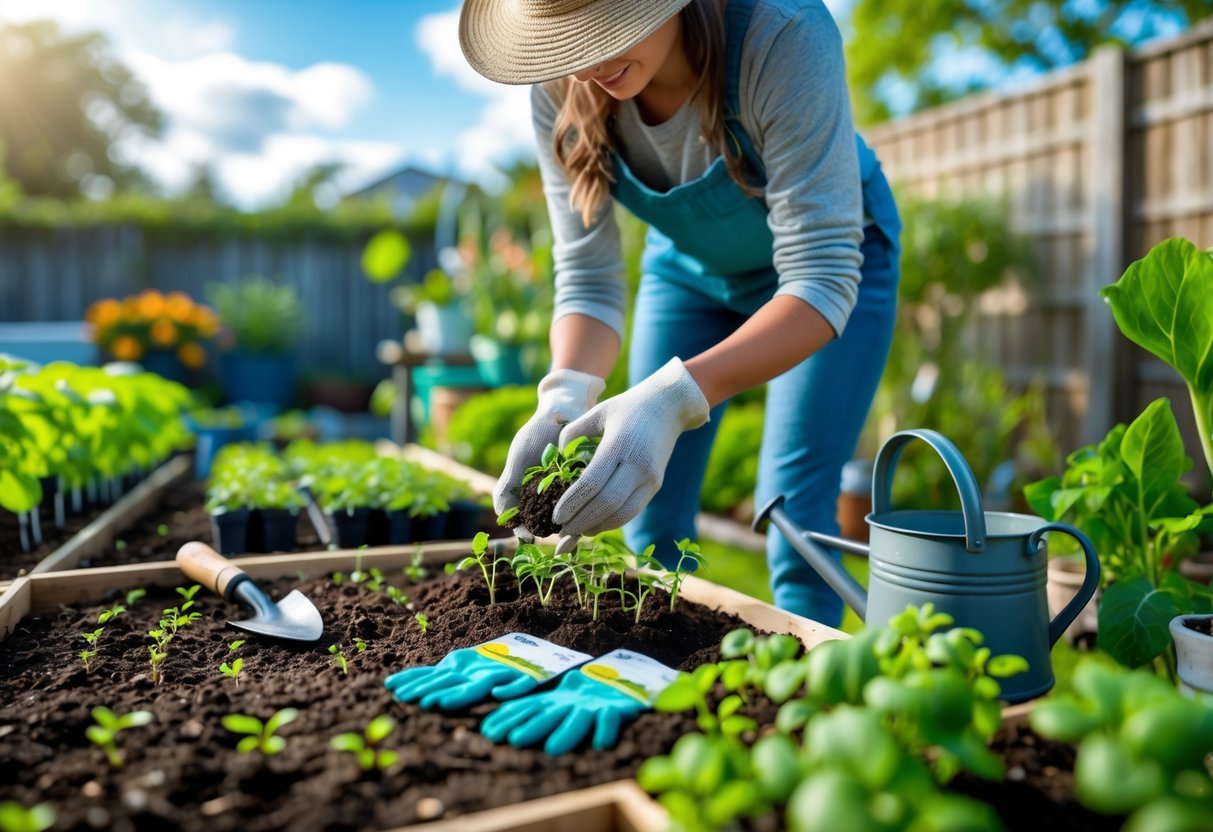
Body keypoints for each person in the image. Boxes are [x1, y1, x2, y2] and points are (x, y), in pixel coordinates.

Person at [459, 0, 901, 627]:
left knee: (792, 513)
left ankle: (809, 691)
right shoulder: (559, 80)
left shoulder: (782, 35)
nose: (584, 64)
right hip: (690, 270)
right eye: (566, 40)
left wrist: (676, 397)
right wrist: (563, 396)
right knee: (649, 515)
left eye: (605, 28)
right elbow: (587, 276)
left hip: (828, 272)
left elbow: (822, 274)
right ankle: (667, 678)